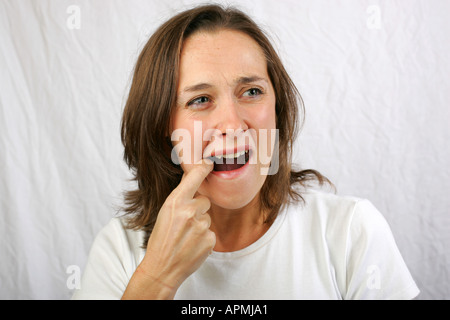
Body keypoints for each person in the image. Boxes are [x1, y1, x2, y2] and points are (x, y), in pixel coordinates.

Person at [72, 4, 419, 300]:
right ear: (164, 129)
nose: (233, 123)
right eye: (200, 100)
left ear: (277, 109)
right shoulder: (119, 251)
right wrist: (157, 279)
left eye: (251, 92)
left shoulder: (351, 231)